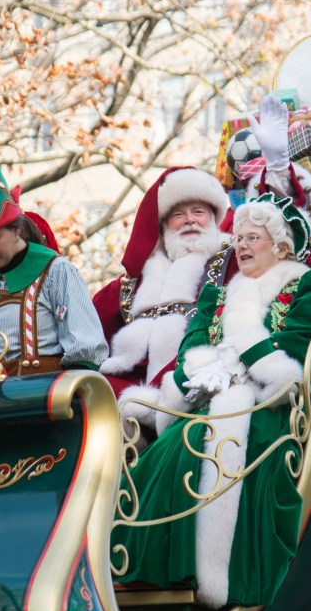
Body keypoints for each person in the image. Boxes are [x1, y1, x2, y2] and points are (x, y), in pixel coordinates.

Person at [111, 191, 311, 610]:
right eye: (239, 238)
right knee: (169, 453)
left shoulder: (310, 284)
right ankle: (147, 576)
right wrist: (200, 371)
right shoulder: (216, 295)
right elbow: (192, 345)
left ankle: (219, 578)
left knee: (218, 450)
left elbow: (301, 343)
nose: (242, 246)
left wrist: (239, 360)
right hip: (207, 398)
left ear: (281, 246)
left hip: (268, 404)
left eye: (253, 238)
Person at [0, 139, 108, 382]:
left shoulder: (56, 272)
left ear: (16, 230)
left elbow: (86, 348)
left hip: (41, 403)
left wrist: (68, 404)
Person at [91, 167, 230, 433]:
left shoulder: (233, 259)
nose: (189, 220)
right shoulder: (137, 281)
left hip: (204, 379)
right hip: (139, 385)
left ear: (214, 218)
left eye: (198, 212)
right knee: (91, 395)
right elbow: (88, 321)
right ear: (164, 226)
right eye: (178, 215)